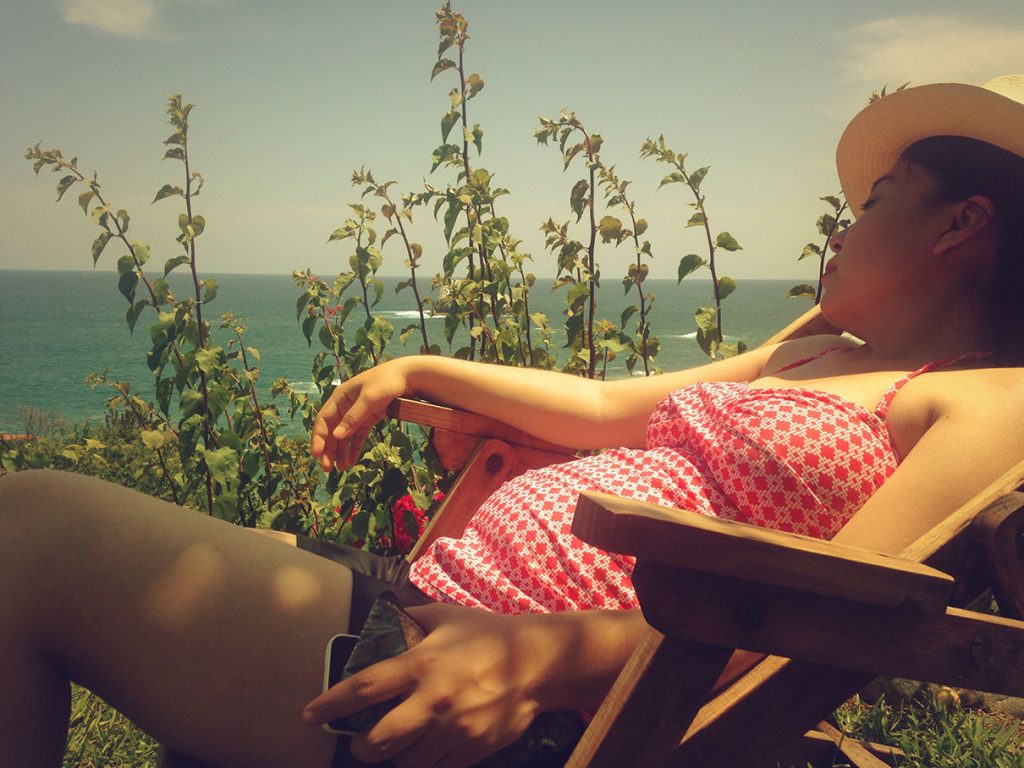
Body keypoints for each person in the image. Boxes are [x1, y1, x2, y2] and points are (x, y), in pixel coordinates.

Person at [1, 75, 1023, 768]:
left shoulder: (989, 399)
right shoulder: (813, 353)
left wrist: (540, 656)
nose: (842, 227)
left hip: (533, 689)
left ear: (961, 224)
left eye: (877, 200)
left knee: (29, 530)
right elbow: (604, 407)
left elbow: (829, 617)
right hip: (440, 598)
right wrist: (413, 367)